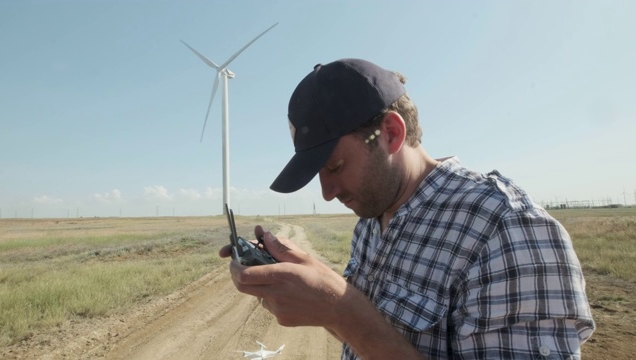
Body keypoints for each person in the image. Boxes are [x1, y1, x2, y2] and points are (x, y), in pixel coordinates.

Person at [219, 58, 595, 359]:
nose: (328, 192)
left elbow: (356, 324)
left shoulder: (506, 230)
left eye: (334, 167)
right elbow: (364, 340)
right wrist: (316, 288)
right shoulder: (372, 217)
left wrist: (342, 308)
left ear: (391, 133)